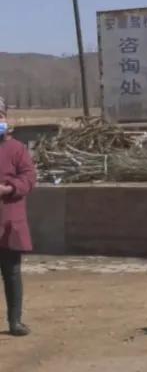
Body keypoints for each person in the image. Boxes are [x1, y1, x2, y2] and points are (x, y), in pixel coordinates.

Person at [0, 96, 34, 336]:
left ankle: (15, 321)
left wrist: (10, 188)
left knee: (11, 273)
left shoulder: (17, 149)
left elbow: (29, 177)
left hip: (9, 220)